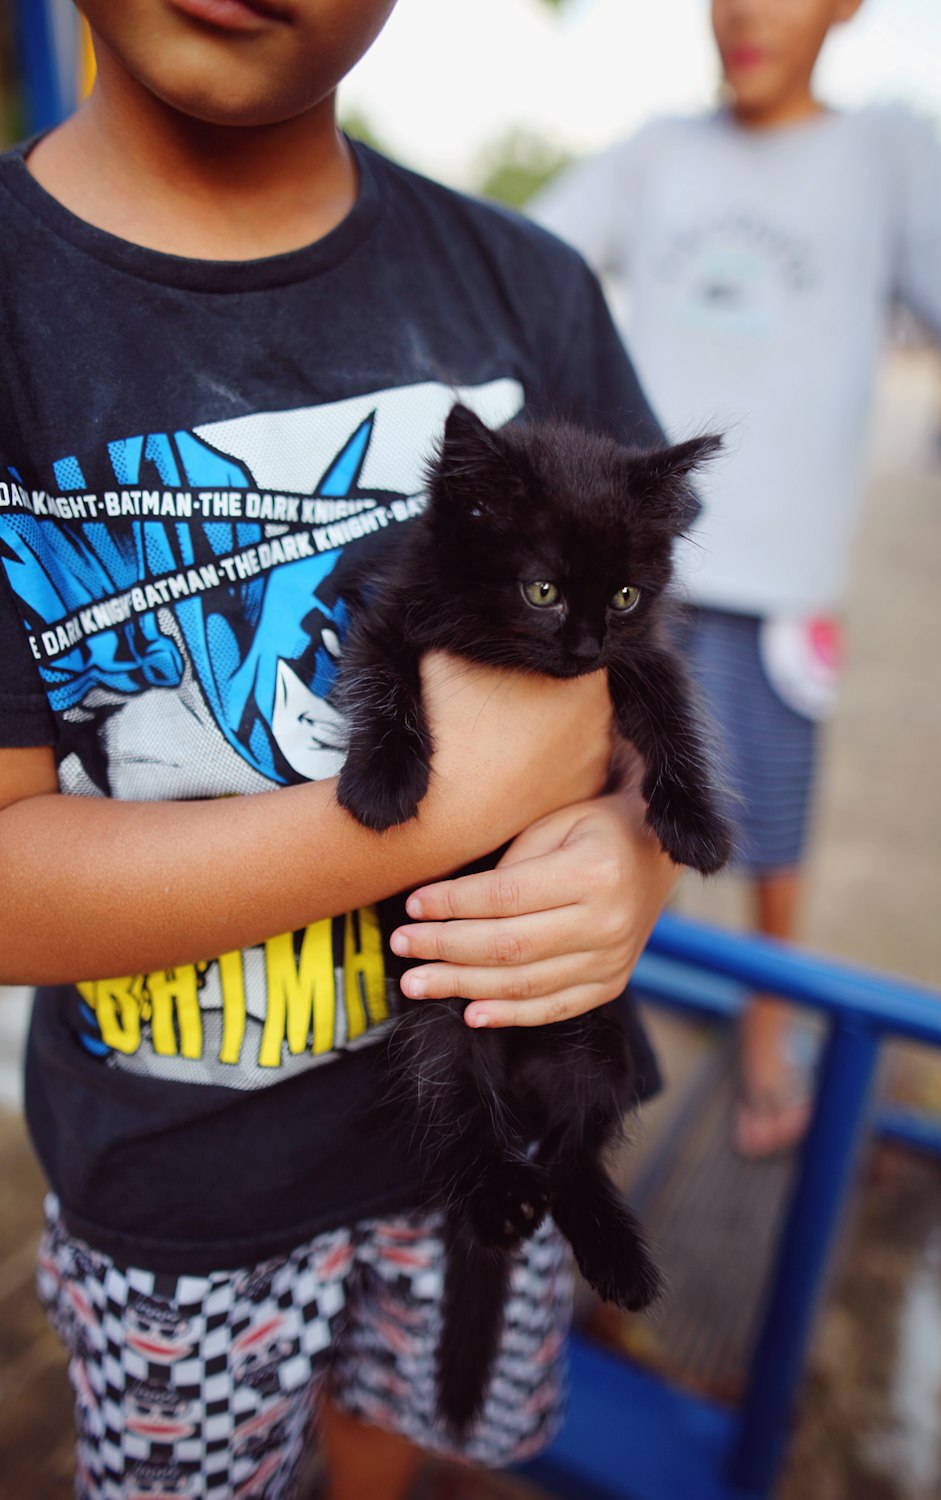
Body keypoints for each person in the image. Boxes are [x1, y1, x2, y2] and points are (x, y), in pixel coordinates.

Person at [0, 2, 681, 1496]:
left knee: (406, 1436)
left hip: (497, 1124)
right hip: (184, 1195)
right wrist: (439, 818)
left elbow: (633, 683)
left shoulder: (527, 286)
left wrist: (635, 848)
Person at [534, 0, 941, 1157]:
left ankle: (769, 1033)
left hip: (781, 582)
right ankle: (582, 1026)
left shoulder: (884, 151)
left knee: (767, 830)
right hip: (636, 578)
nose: (743, 12)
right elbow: (524, 257)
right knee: (590, 807)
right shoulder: (657, 152)